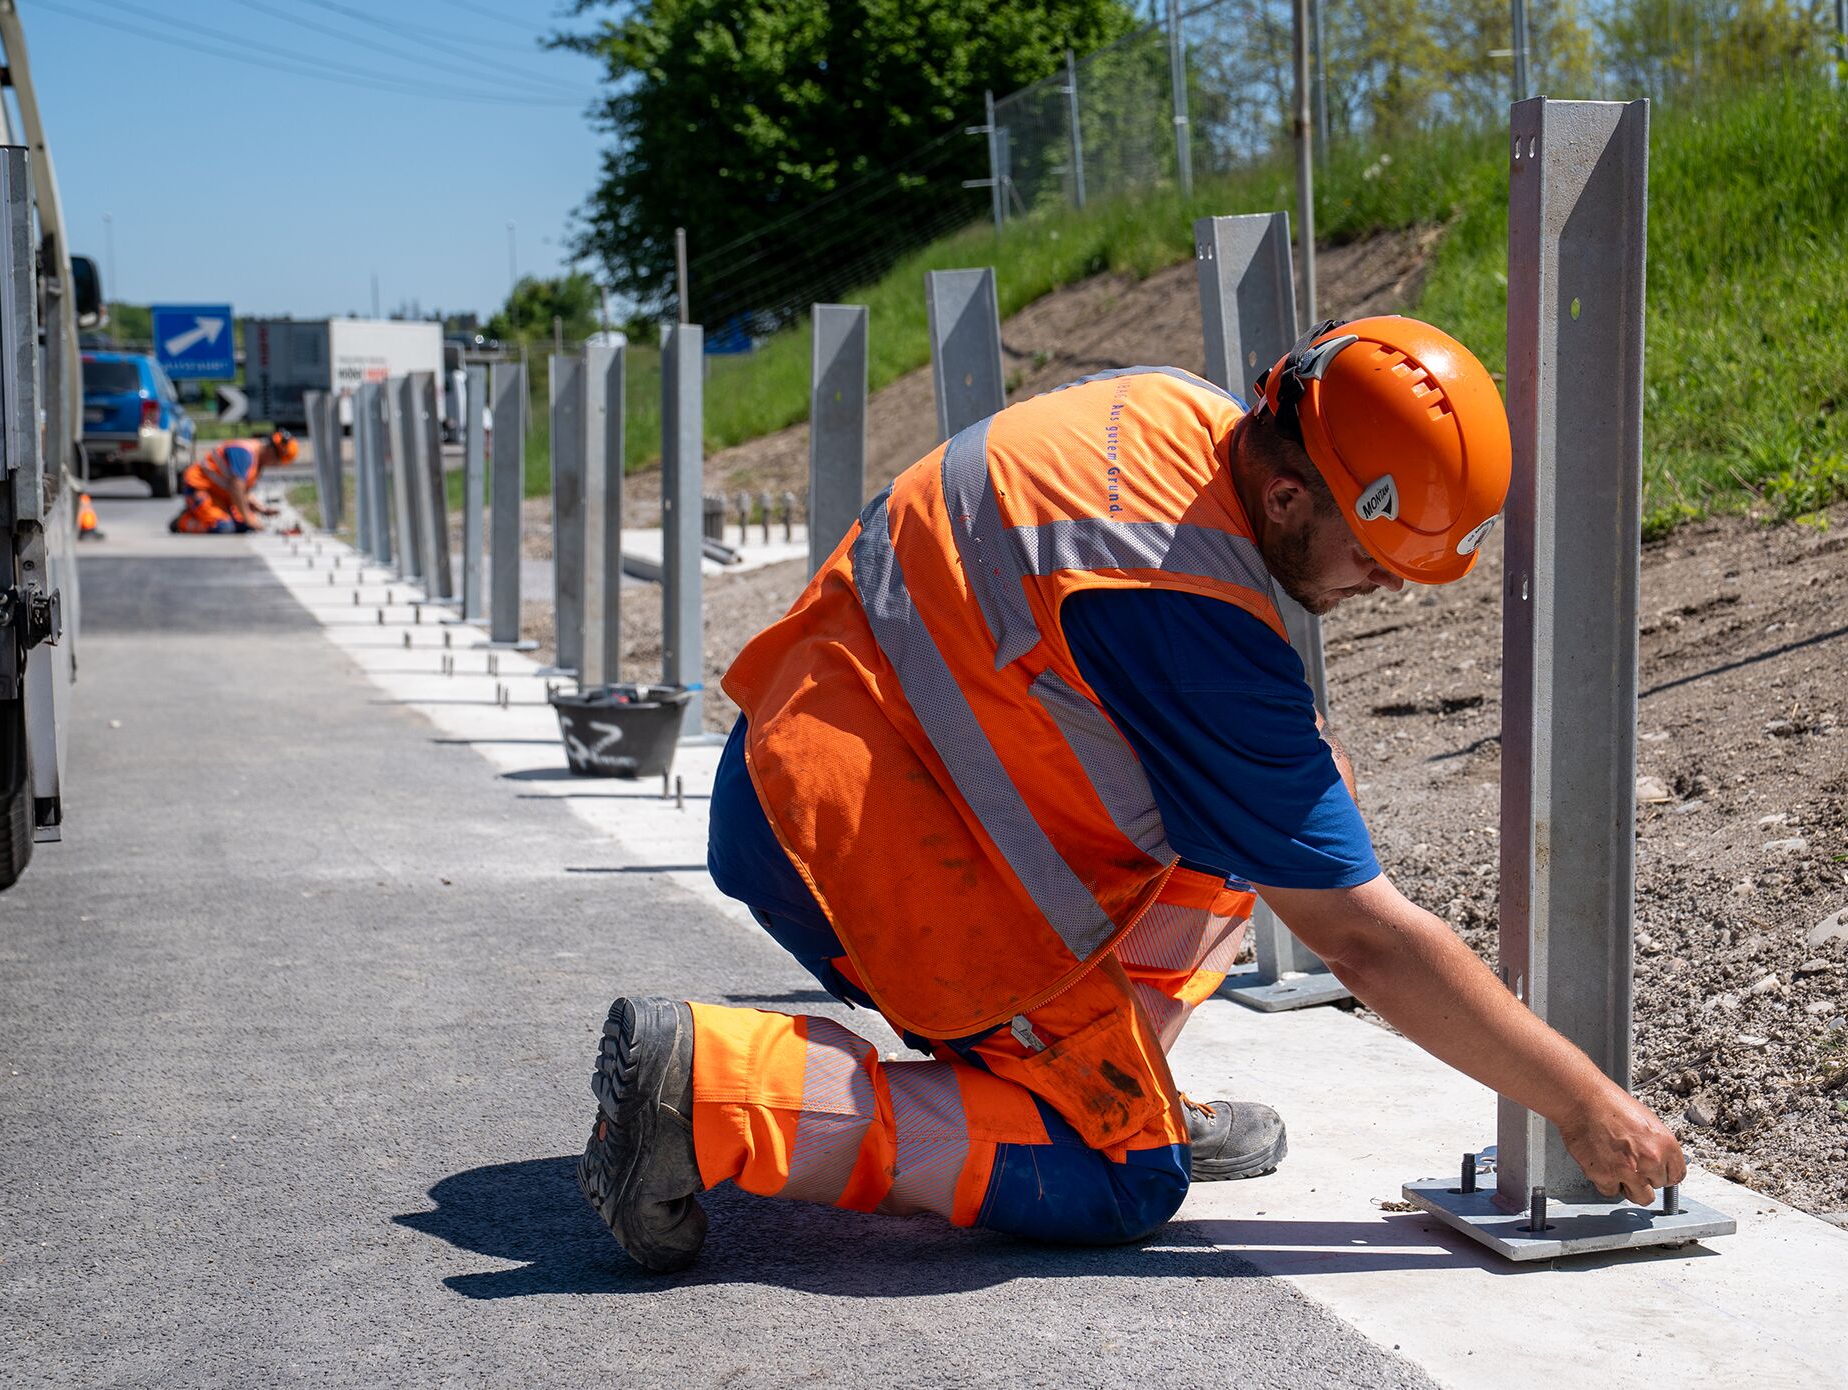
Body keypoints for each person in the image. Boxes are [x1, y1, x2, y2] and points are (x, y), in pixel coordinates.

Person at [576, 317, 1686, 1270]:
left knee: (1300, 793)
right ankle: (710, 1089)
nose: (1385, 584)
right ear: (1291, 492)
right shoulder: (1184, 607)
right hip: (849, 846)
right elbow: (1366, 941)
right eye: (1377, 555)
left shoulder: (1176, 416)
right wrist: (1584, 1102)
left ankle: (1115, 1072)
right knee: (1117, 1176)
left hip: (834, 749)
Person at [168, 430, 296, 534]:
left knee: (243, 527)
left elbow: (242, 491)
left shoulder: (257, 461)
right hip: (200, 489)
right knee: (223, 527)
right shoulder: (245, 453)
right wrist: (248, 518)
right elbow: (237, 487)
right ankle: (183, 521)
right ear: (272, 452)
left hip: (222, 496)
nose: (274, 465)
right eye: (276, 462)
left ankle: (200, 513)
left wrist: (260, 509)